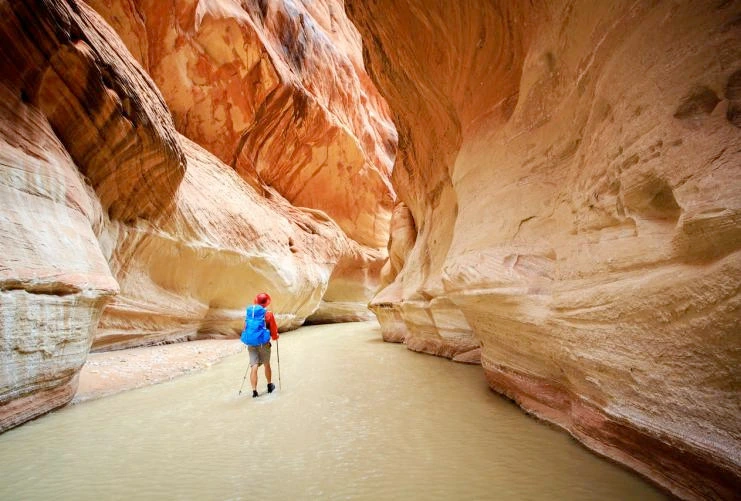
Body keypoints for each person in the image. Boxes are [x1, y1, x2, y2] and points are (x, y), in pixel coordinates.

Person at [240, 292, 279, 397]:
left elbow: (245, 327)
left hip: (251, 343)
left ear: (256, 301)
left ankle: (254, 392)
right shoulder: (268, 314)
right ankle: (269, 386)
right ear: (266, 303)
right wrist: (275, 337)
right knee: (266, 364)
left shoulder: (250, 313)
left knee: (254, 366)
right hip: (263, 343)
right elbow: (274, 330)